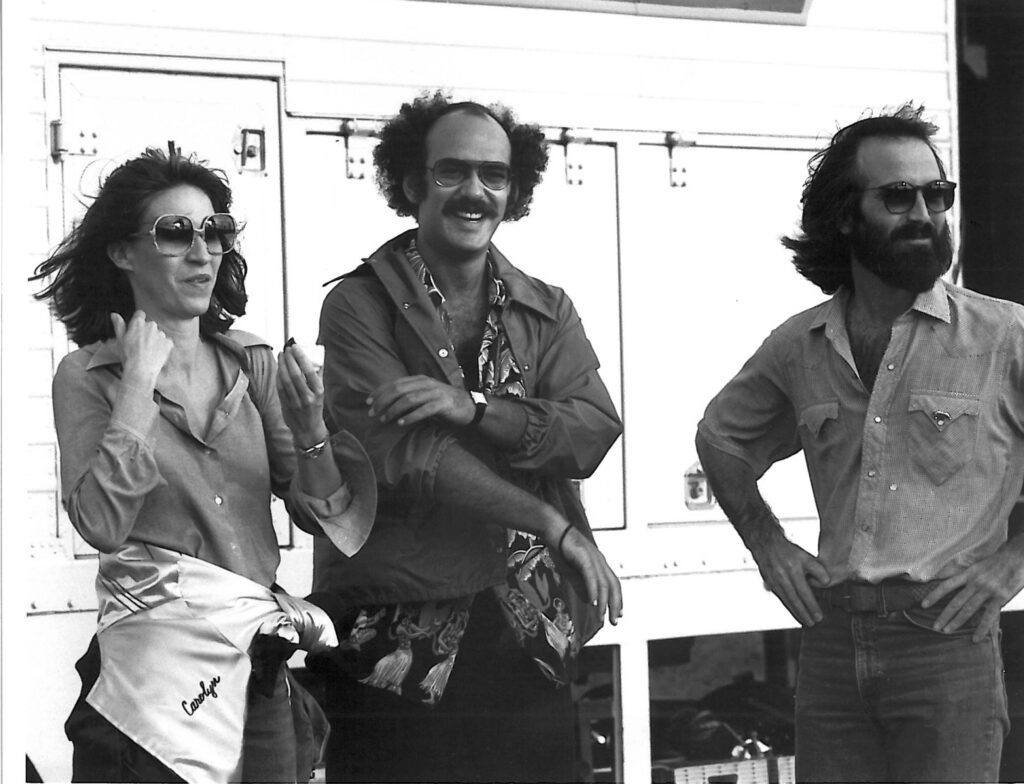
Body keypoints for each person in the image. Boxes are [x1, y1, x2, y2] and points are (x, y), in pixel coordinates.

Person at [695, 103, 1022, 783]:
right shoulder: (799, 344)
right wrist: (767, 545)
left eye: (938, 196)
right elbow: (721, 437)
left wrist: (1013, 559)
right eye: (898, 197)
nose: (926, 215)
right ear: (846, 216)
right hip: (831, 645)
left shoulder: (1003, 337)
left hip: (946, 643)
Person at [31, 148, 376, 783]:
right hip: (153, 687)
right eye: (175, 232)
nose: (202, 252)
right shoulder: (87, 376)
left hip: (259, 674)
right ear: (122, 252)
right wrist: (137, 386)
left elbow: (325, 513)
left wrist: (311, 435)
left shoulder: (253, 364)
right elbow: (101, 523)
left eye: (214, 232)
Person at [309, 91, 624, 783]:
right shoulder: (357, 305)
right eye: (452, 172)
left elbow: (594, 429)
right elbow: (403, 455)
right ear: (413, 182)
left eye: (495, 176)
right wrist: (549, 520)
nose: (475, 192)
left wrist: (473, 408)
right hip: (392, 641)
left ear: (515, 191)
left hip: (528, 629)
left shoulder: (547, 306)